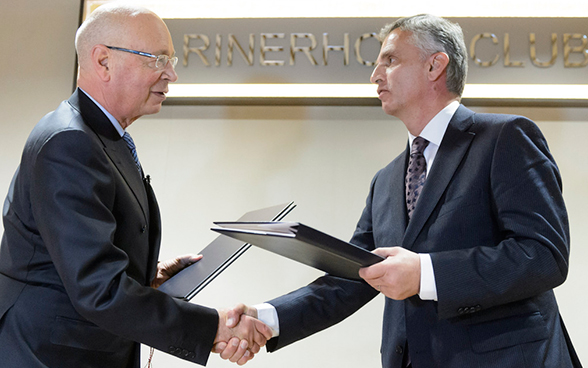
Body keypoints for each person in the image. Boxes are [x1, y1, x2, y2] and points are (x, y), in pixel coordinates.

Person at [216, 14, 582, 367]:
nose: (375, 75)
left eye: (389, 60)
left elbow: (543, 255)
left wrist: (426, 273)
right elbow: (352, 276)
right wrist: (266, 317)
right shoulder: (386, 180)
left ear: (435, 66)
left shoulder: (506, 137)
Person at [0, 4, 271, 367]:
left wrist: (148, 276)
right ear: (103, 61)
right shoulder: (69, 143)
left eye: (170, 59)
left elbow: (79, 257)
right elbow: (99, 288)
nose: (171, 74)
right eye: (156, 59)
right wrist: (214, 328)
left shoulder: (98, 135)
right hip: (49, 355)